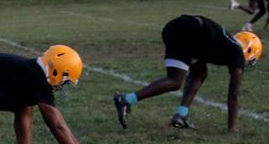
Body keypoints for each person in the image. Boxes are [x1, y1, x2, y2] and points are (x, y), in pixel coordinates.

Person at [112, 16, 261, 132]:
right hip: (191, 30)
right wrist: (232, 128)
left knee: (200, 72)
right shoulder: (237, 54)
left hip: (176, 27)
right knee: (175, 81)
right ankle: (126, 100)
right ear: (249, 51)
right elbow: (233, 94)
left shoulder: (226, 44)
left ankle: (181, 115)